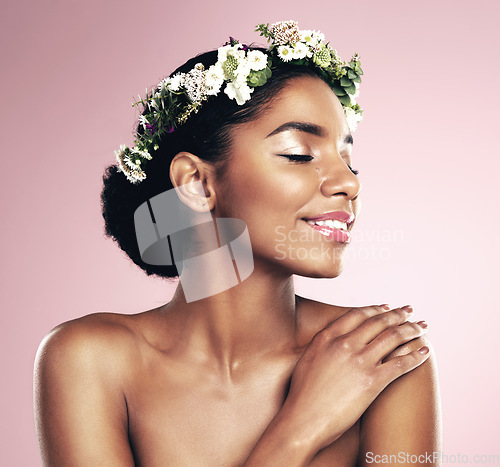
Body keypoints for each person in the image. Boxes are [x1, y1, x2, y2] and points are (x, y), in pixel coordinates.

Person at [34, 21, 441, 466]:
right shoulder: (89, 360)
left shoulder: (381, 360)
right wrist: (299, 429)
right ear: (196, 182)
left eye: (348, 160)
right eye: (299, 153)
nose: (348, 182)